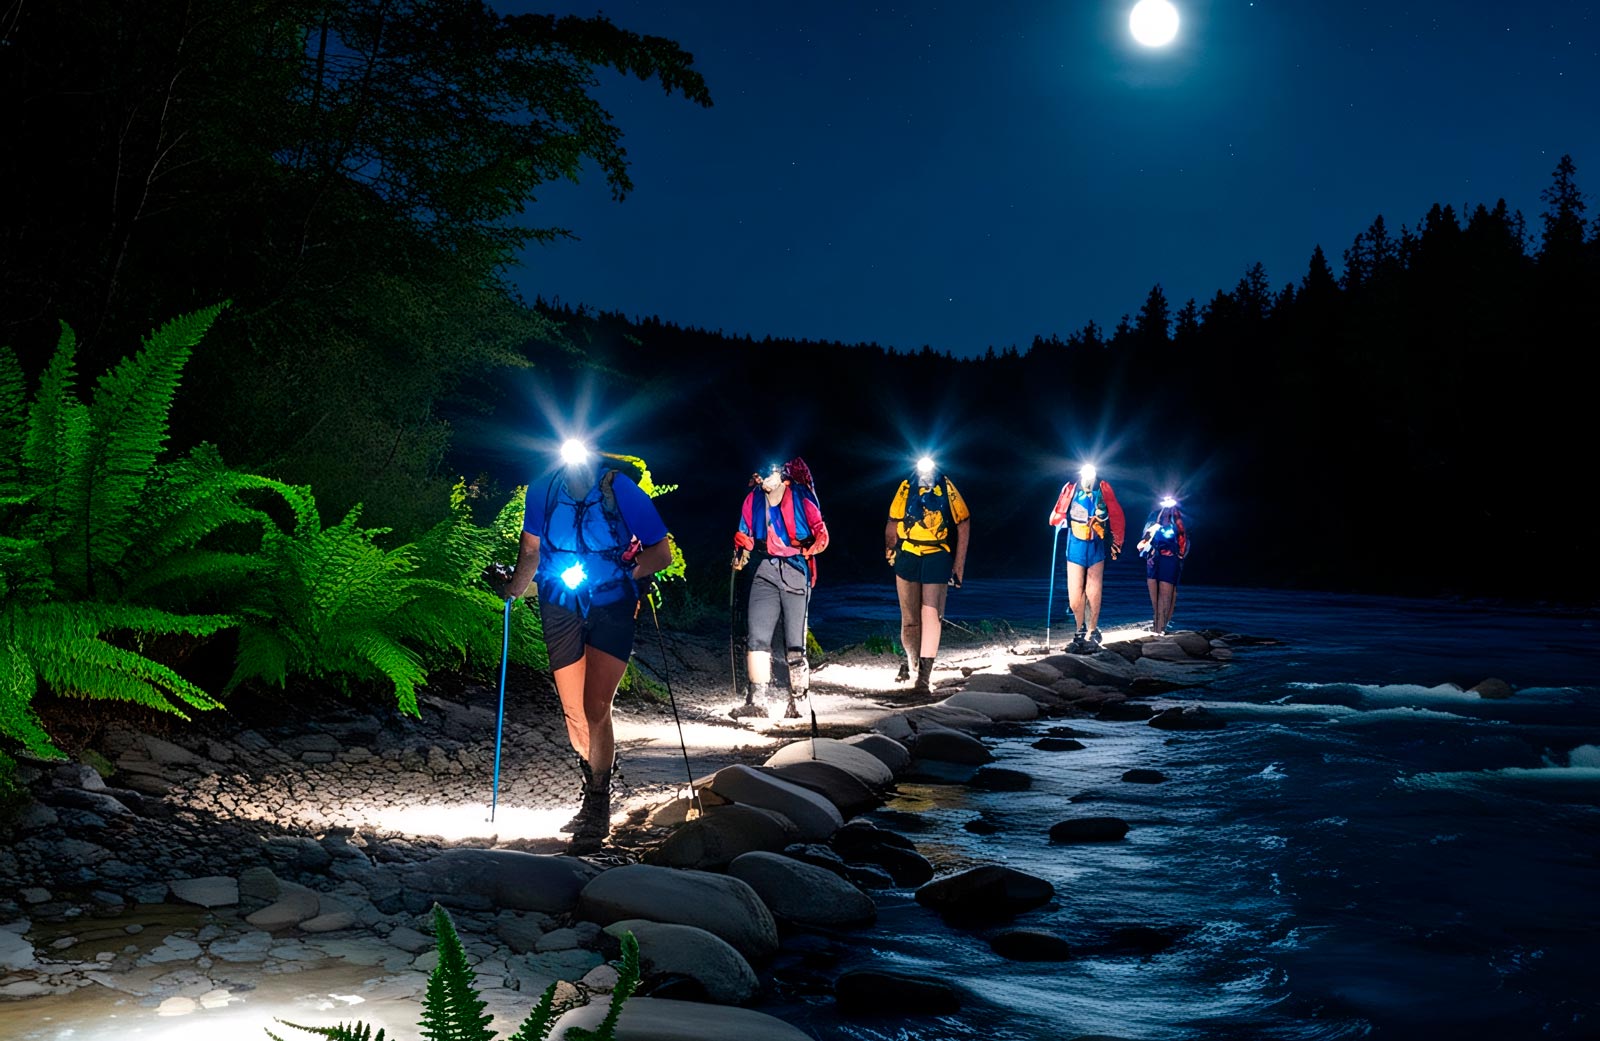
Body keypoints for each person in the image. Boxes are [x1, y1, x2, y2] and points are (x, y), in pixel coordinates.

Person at [489, 439, 674, 849]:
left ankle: (597, 802)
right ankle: (593, 775)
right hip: (560, 603)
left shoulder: (619, 488)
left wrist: (630, 573)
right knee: (574, 710)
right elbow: (531, 549)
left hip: (613, 603)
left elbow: (662, 553)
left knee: (595, 707)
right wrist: (512, 591)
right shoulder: (543, 489)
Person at [730, 458, 829, 720]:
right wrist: (740, 550)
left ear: (782, 476)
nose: (763, 482)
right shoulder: (753, 499)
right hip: (765, 569)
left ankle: (798, 699)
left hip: (795, 569)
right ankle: (757, 699)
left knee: (795, 642)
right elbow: (745, 532)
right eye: (760, 478)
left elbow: (821, 532)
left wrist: (810, 548)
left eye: (768, 477)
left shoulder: (800, 496)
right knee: (757, 637)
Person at [886, 456, 971, 695]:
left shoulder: (946, 487)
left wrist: (959, 565)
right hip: (908, 553)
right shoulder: (905, 487)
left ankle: (924, 676)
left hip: (937, 553)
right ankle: (914, 664)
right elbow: (893, 521)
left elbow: (963, 522)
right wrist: (890, 550)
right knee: (910, 618)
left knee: (931, 613)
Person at [1047, 463, 1125, 653]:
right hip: (1076, 546)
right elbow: (1054, 517)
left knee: (1093, 589)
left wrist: (1117, 543)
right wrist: (1060, 518)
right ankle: (1080, 628)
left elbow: (1116, 515)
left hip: (1096, 545)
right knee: (1075, 597)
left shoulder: (1103, 490)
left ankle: (1091, 630)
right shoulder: (1070, 490)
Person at [1137, 495, 1188, 636]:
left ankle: (1161, 629)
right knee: (1156, 601)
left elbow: (1183, 540)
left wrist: (1179, 557)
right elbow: (1143, 541)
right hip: (1153, 561)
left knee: (1166, 597)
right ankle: (1158, 627)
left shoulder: (1178, 521)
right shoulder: (1153, 520)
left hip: (1170, 561)